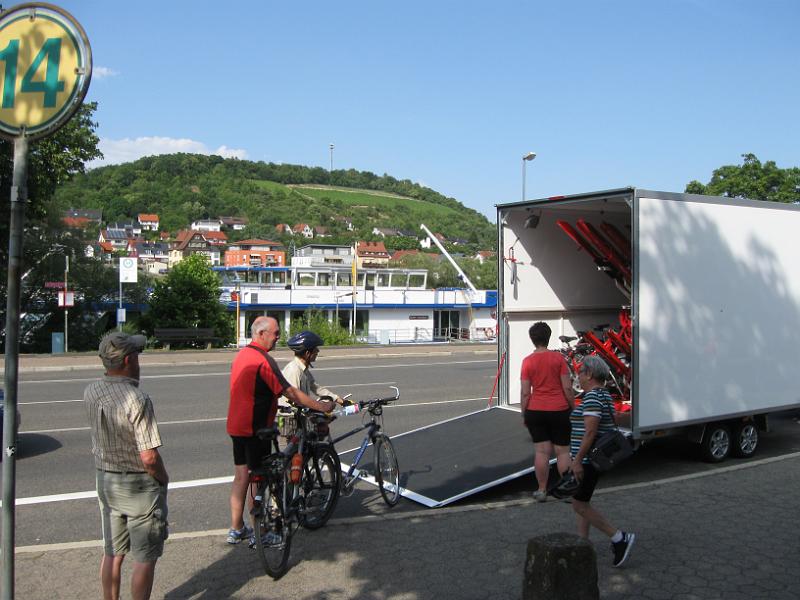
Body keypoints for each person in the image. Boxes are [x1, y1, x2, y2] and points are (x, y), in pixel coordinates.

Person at [226, 316, 336, 545]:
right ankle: (263, 532)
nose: (278, 338)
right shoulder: (263, 360)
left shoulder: (242, 355)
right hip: (256, 428)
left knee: (241, 476)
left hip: (236, 426)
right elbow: (291, 392)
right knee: (260, 478)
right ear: (261, 334)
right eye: (275, 333)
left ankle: (237, 528)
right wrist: (321, 406)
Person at [84, 332, 169, 600]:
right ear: (129, 360)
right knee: (145, 556)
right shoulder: (137, 399)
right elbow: (149, 458)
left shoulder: (91, 391)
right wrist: (163, 479)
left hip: (106, 479)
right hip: (138, 485)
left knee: (112, 552)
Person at [568, 355, 635, 567]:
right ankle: (582, 543)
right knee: (582, 502)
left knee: (579, 504)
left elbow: (590, 432)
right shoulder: (603, 394)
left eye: (580, 372)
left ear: (589, 374)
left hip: (588, 460)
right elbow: (614, 418)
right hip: (591, 458)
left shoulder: (592, 398)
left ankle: (619, 537)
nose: (578, 375)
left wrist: (577, 460)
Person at [520, 321, 574, 502]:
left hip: (536, 410)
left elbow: (526, 391)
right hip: (559, 410)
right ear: (549, 337)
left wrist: (524, 412)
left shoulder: (527, 361)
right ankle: (566, 491)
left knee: (542, 452)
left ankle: (542, 490)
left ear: (532, 339)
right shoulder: (558, 359)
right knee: (563, 452)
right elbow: (567, 388)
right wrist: (572, 407)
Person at [280, 330, 344, 408]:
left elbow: (316, 388)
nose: (318, 351)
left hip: (300, 416)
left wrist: (339, 400)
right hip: (290, 418)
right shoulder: (293, 370)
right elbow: (294, 399)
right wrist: (319, 408)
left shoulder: (302, 368)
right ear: (307, 354)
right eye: (315, 349)